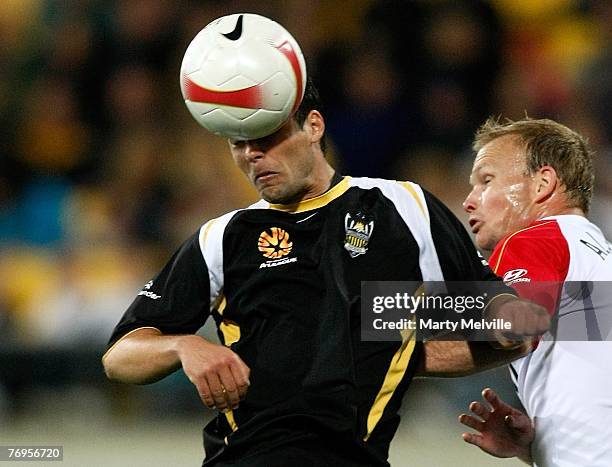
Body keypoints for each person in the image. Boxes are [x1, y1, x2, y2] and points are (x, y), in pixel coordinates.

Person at [102, 79, 548, 467]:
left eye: (267, 136)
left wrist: (493, 326)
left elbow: (501, 313)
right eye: (238, 144)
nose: (252, 155)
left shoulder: (403, 207)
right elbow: (120, 356)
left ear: (313, 126)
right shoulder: (221, 237)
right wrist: (186, 345)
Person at [460, 117, 612, 466]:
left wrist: (380, 314)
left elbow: (516, 323)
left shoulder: (535, 239)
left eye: (486, 180)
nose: (469, 200)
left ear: (543, 183)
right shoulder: (597, 258)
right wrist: (540, 445)